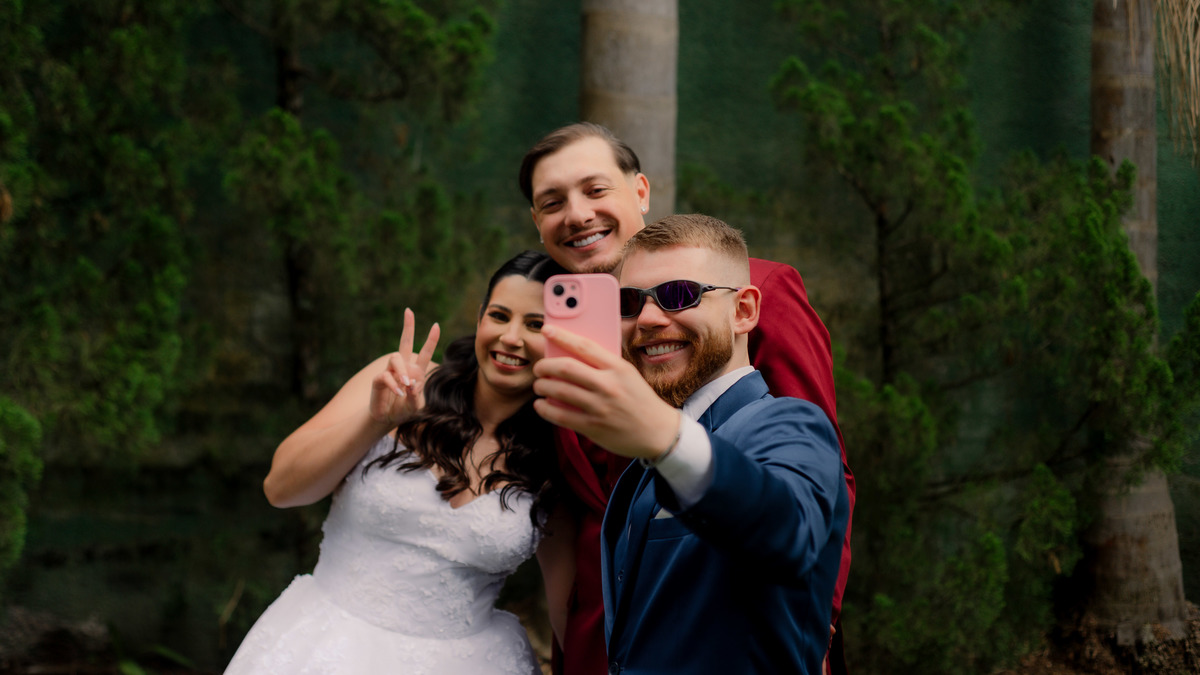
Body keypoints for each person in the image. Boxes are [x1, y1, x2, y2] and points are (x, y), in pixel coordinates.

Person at [518, 123, 853, 674]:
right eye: (553, 202)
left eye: (595, 189)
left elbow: (807, 487)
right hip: (605, 632)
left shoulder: (755, 293)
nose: (576, 214)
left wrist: (815, 617)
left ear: (640, 191)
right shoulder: (559, 324)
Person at [224, 250, 573, 675]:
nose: (511, 338)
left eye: (536, 325)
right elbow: (281, 490)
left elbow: (567, 610)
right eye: (499, 316)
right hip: (326, 648)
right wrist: (376, 422)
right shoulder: (400, 382)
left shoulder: (560, 452)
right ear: (481, 316)